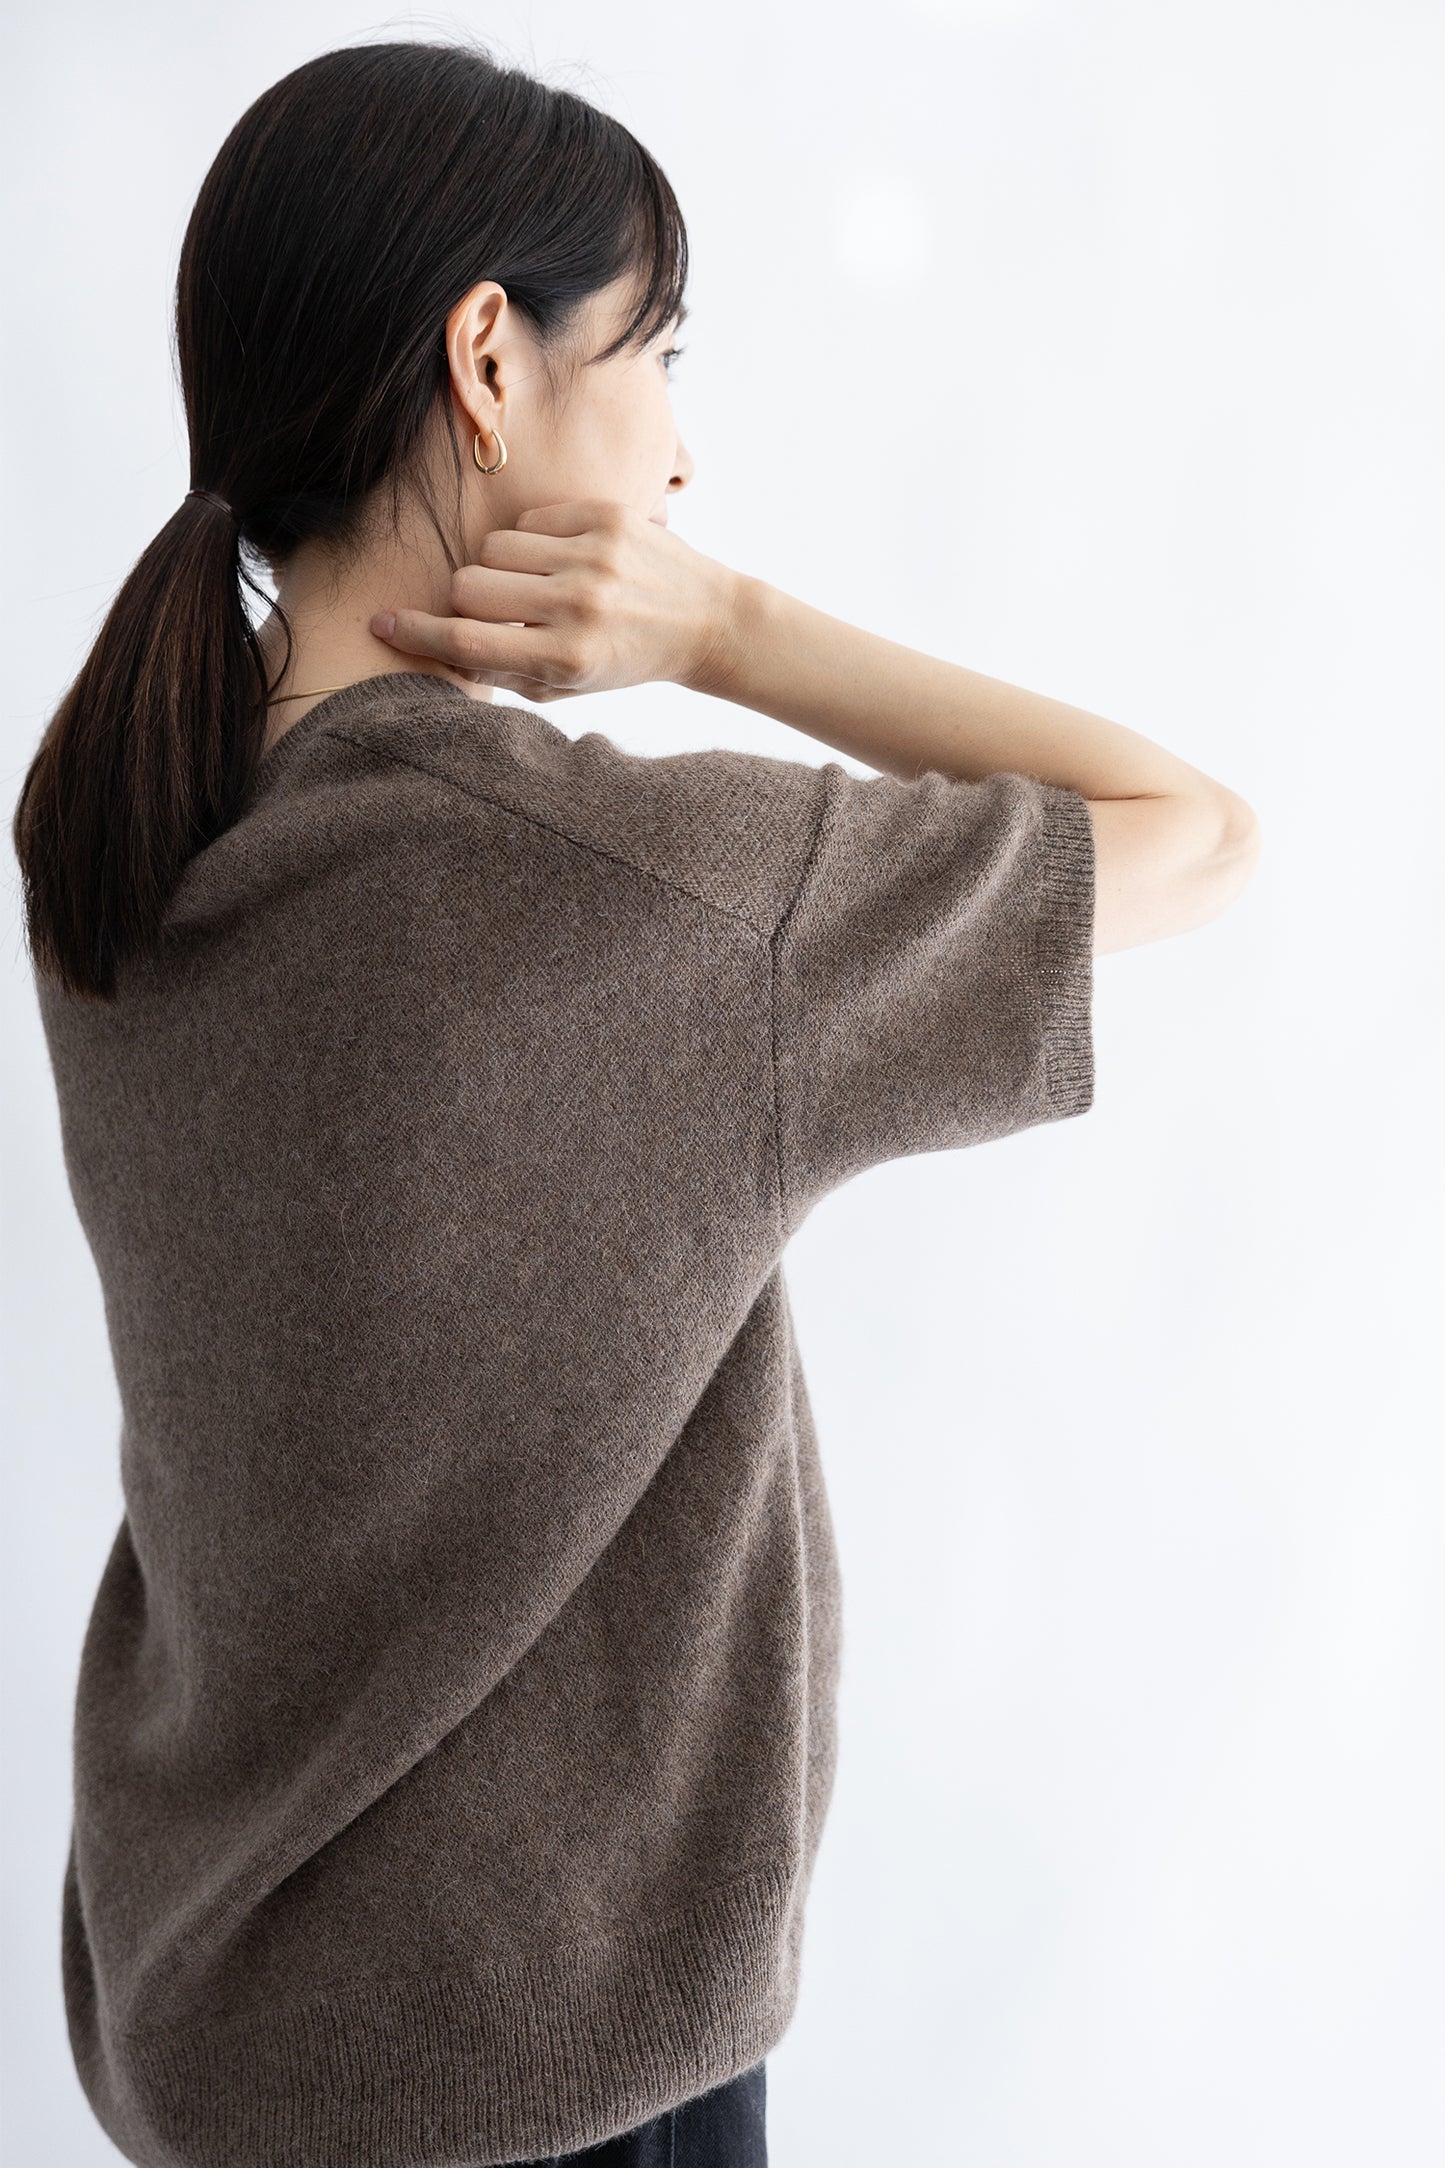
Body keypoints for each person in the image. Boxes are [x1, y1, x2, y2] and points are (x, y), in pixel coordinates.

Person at [10, 35, 1260, 2168]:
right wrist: (724, 628)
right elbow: (1200, 834)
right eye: (659, 353)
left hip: (219, 2050)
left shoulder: (124, 852)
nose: (681, 451)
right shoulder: (644, 900)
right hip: (547, 2072)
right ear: (487, 359)